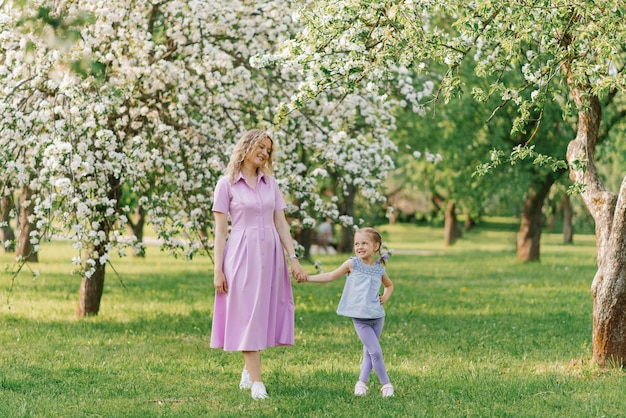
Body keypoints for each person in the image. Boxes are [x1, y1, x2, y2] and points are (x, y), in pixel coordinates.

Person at [211, 129, 306, 400]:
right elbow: (220, 232)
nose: (264, 153)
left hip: (271, 255)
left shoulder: (271, 184)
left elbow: (281, 223)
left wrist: (293, 258)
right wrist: (218, 269)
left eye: (268, 149)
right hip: (241, 254)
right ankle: (257, 382)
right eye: (260, 147)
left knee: (261, 312)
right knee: (247, 313)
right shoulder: (226, 184)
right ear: (247, 146)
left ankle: (247, 370)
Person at [298, 227, 395, 397]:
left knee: (369, 351)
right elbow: (331, 276)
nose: (360, 247)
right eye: (357, 243)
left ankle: (361, 384)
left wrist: (385, 297)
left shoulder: (379, 269)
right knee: (376, 351)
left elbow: (389, 285)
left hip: (377, 317)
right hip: (360, 319)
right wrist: (309, 278)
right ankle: (386, 385)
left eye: (364, 243)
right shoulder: (352, 264)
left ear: (376, 246)